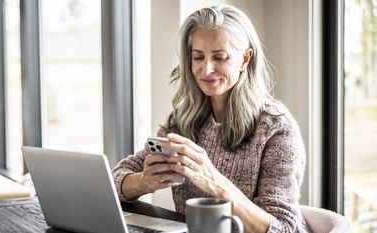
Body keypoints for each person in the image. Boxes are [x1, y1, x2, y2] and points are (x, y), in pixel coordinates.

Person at [112, 4, 310, 233]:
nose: (206, 70)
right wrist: (144, 181)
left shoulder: (276, 130)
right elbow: (117, 179)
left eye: (220, 57)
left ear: (245, 59)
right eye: (198, 57)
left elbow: (283, 228)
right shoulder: (182, 121)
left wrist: (214, 181)